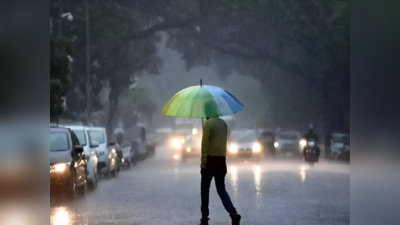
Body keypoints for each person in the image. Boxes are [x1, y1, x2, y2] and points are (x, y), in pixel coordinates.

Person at [200, 116, 241, 225]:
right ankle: (233, 213)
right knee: (221, 189)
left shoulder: (208, 124)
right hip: (221, 161)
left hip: (209, 161)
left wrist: (203, 164)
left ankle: (204, 218)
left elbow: (205, 146)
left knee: (205, 190)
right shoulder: (223, 124)